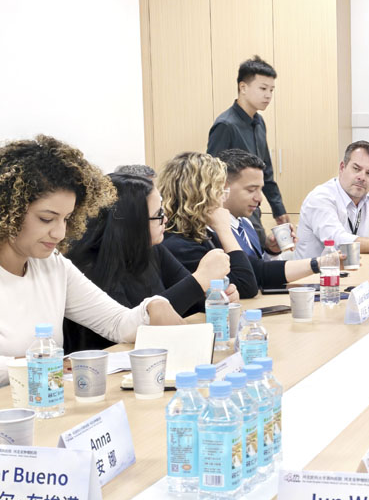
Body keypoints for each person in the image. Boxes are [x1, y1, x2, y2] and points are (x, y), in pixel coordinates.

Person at [0, 135, 182, 386]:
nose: (59, 233)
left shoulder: (53, 265)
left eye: (66, 219)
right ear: (9, 209)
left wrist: (152, 308)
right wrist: (36, 363)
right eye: (46, 219)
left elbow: (115, 323)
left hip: (45, 399)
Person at [64, 173, 236, 352]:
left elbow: (197, 304)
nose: (165, 219)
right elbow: (133, 328)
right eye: (158, 214)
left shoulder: (152, 249)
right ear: (132, 224)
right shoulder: (89, 267)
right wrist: (199, 280)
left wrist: (217, 296)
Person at [158, 152, 322, 296]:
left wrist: (320, 263)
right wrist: (224, 230)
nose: (223, 198)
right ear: (201, 196)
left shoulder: (202, 234)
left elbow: (258, 270)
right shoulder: (180, 244)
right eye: (220, 191)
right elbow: (246, 285)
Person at [207, 55, 288, 251]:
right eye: (263, 88)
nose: (268, 95)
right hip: (230, 214)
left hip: (252, 207)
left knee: (265, 251)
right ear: (243, 87)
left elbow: (266, 170)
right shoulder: (226, 125)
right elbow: (211, 176)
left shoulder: (259, 122)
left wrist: (278, 209)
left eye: (271, 90)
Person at [294, 140, 369, 259]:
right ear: (342, 167)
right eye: (356, 169)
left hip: (357, 269)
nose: (362, 177)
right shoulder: (320, 198)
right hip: (319, 272)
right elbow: (341, 244)